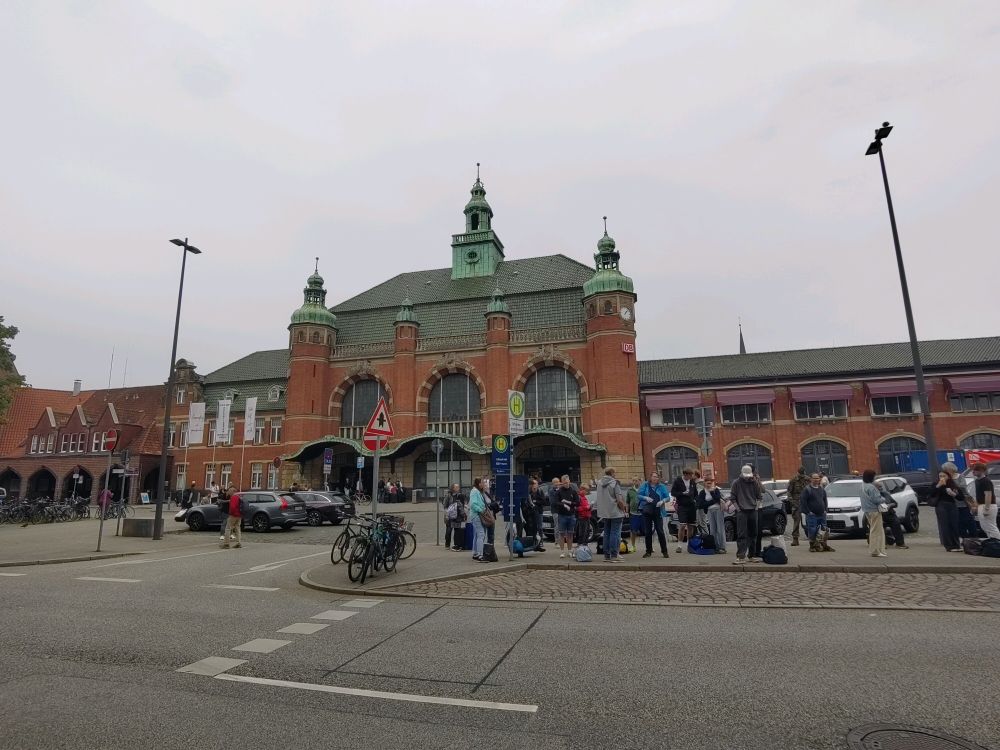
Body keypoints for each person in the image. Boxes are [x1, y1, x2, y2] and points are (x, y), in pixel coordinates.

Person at [730, 465, 763, 564]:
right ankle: (741, 556)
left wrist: (756, 508)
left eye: (749, 475)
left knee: (753, 534)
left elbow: (759, 496)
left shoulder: (755, 482)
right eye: (746, 475)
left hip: (753, 511)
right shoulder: (736, 483)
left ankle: (751, 555)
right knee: (742, 534)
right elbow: (733, 497)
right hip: (742, 512)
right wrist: (738, 509)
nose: (748, 477)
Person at [594, 468, 626, 562]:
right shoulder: (614, 483)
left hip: (605, 512)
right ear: (612, 473)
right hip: (615, 512)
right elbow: (619, 500)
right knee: (615, 533)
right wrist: (623, 508)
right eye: (615, 472)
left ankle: (607, 555)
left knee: (607, 533)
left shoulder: (599, 483)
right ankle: (614, 555)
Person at [638, 472, 670, 558]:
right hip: (647, 511)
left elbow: (667, 497)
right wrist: (645, 498)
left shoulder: (661, 486)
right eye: (654, 477)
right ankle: (648, 551)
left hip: (658, 511)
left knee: (660, 531)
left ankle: (664, 551)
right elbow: (639, 495)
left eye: (657, 477)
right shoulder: (645, 485)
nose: (655, 478)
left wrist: (662, 501)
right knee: (648, 532)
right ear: (650, 477)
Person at [930, 470, 963, 552]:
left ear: (948, 476)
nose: (942, 478)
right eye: (940, 476)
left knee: (954, 524)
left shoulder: (952, 484)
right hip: (941, 505)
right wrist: (938, 486)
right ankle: (949, 546)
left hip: (951, 505)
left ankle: (957, 544)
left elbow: (961, 497)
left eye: (944, 476)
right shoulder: (936, 484)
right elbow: (930, 494)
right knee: (945, 525)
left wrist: (954, 494)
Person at [800, 472, 832, 553]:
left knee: (824, 529)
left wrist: (825, 510)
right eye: (814, 478)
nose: (816, 480)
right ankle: (812, 546)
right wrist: (808, 512)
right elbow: (803, 502)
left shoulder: (821, 489)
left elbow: (824, 499)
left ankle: (823, 545)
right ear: (811, 479)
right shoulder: (807, 490)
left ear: (819, 479)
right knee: (812, 530)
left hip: (822, 514)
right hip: (812, 515)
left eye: (817, 478)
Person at [670, 468, 698, 553]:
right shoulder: (678, 481)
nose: (691, 477)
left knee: (691, 526)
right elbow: (673, 492)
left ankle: (689, 545)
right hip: (682, 506)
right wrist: (682, 493)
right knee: (682, 525)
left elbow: (695, 493)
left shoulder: (692, 481)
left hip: (691, 506)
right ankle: (679, 545)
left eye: (691, 475)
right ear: (685, 474)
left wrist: (696, 500)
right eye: (689, 475)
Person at [860, 470, 886, 558]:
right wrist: (884, 499)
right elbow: (877, 500)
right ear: (871, 477)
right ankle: (875, 551)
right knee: (876, 531)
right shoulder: (871, 487)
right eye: (874, 476)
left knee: (874, 529)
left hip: (867, 510)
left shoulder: (862, 486)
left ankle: (878, 550)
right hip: (874, 510)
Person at [876, 479, 908, 549]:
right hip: (879, 515)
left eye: (881, 487)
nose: (881, 488)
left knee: (896, 523)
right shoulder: (874, 496)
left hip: (890, 514)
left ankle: (900, 543)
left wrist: (890, 505)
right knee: (879, 525)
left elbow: (895, 503)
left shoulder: (886, 494)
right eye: (879, 487)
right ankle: (882, 543)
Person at [971, 462, 999, 540]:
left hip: (988, 505)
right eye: (973, 470)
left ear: (982, 471)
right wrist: (976, 506)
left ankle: (997, 543)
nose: (973, 472)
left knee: (991, 526)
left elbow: (988, 495)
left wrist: (987, 508)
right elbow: (978, 495)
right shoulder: (977, 481)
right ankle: (992, 542)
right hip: (981, 505)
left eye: (976, 470)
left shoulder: (986, 481)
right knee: (984, 526)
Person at [698, 477, 726, 554]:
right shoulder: (702, 492)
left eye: (710, 483)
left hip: (718, 510)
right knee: (713, 529)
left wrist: (712, 493)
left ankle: (722, 547)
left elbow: (718, 499)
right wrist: (712, 502)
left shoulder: (715, 490)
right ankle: (715, 546)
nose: (709, 485)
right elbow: (701, 504)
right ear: (704, 483)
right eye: (707, 483)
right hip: (710, 511)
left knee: (720, 528)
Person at [554, 475, 579, 559]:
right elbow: (556, 502)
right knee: (561, 534)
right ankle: (562, 551)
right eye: (564, 483)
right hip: (562, 515)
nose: (566, 484)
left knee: (570, 534)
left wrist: (570, 504)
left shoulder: (573, 491)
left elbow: (577, 502)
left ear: (569, 481)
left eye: (567, 482)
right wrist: (564, 505)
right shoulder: (559, 491)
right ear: (562, 482)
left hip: (571, 515)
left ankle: (569, 550)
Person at [786, 467, 809, 546]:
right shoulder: (793, 480)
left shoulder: (807, 479)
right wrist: (793, 502)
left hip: (807, 503)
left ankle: (811, 537)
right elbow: (789, 492)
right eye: (801, 474)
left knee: (808, 521)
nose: (802, 476)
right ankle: (795, 539)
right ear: (798, 473)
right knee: (796, 522)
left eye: (803, 474)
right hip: (797, 503)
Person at [469, 477, 488, 562]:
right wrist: (481, 510)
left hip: (477, 515)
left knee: (477, 535)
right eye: (482, 482)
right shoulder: (474, 491)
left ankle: (476, 553)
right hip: (477, 515)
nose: (483, 484)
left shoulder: (477, 491)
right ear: (478, 483)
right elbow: (473, 504)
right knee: (481, 534)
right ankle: (480, 555)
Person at [444, 483, 467, 551]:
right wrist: (448, 513)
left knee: (457, 530)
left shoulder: (459, 495)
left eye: (458, 487)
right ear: (453, 488)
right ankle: (447, 544)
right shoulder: (448, 496)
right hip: (449, 516)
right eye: (456, 487)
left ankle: (456, 544)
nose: (458, 488)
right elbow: (445, 505)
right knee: (449, 530)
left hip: (457, 517)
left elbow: (463, 504)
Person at [528, 479, 547, 551]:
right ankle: (534, 542)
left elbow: (544, 501)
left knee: (540, 527)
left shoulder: (540, 491)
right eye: (533, 484)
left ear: (537, 484)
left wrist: (535, 501)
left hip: (539, 512)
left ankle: (541, 542)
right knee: (532, 527)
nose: (534, 485)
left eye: (535, 483)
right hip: (531, 512)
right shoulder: (529, 492)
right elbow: (528, 502)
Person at [626, 477, 642, 552]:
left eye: (636, 480)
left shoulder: (643, 489)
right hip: (633, 513)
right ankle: (633, 546)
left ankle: (650, 547)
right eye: (633, 480)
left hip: (643, 513)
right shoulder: (630, 491)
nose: (635, 482)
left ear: (640, 481)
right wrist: (627, 511)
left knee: (647, 530)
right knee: (633, 530)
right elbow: (627, 502)